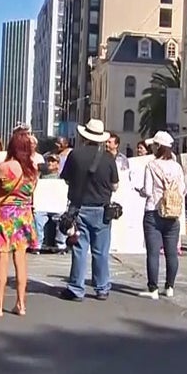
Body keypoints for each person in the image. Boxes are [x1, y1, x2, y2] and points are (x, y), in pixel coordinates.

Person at [59, 119, 119, 301]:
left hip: (79, 207)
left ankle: (77, 288)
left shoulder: (75, 154)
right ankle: (102, 288)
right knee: (101, 251)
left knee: (79, 248)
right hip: (102, 209)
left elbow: (67, 179)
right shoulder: (108, 158)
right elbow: (115, 185)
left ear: (84, 135)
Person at [0, 130, 39, 317]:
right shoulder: (33, 170)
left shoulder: (4, 167)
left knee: (1, 260)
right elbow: (31, 193)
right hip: (24, 215)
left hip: (5, 215)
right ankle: (21, 304)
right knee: (21, 261)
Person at [138, 131, 185, 299]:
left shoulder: (152, 165)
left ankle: (153, 289)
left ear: (158, 146)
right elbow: (182, 190)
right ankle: (170, 286)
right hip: (172, 213)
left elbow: (148, 191)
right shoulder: (177, 166)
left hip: (153, 211)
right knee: (171, 252)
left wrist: (140, 191)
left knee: (153, 252)